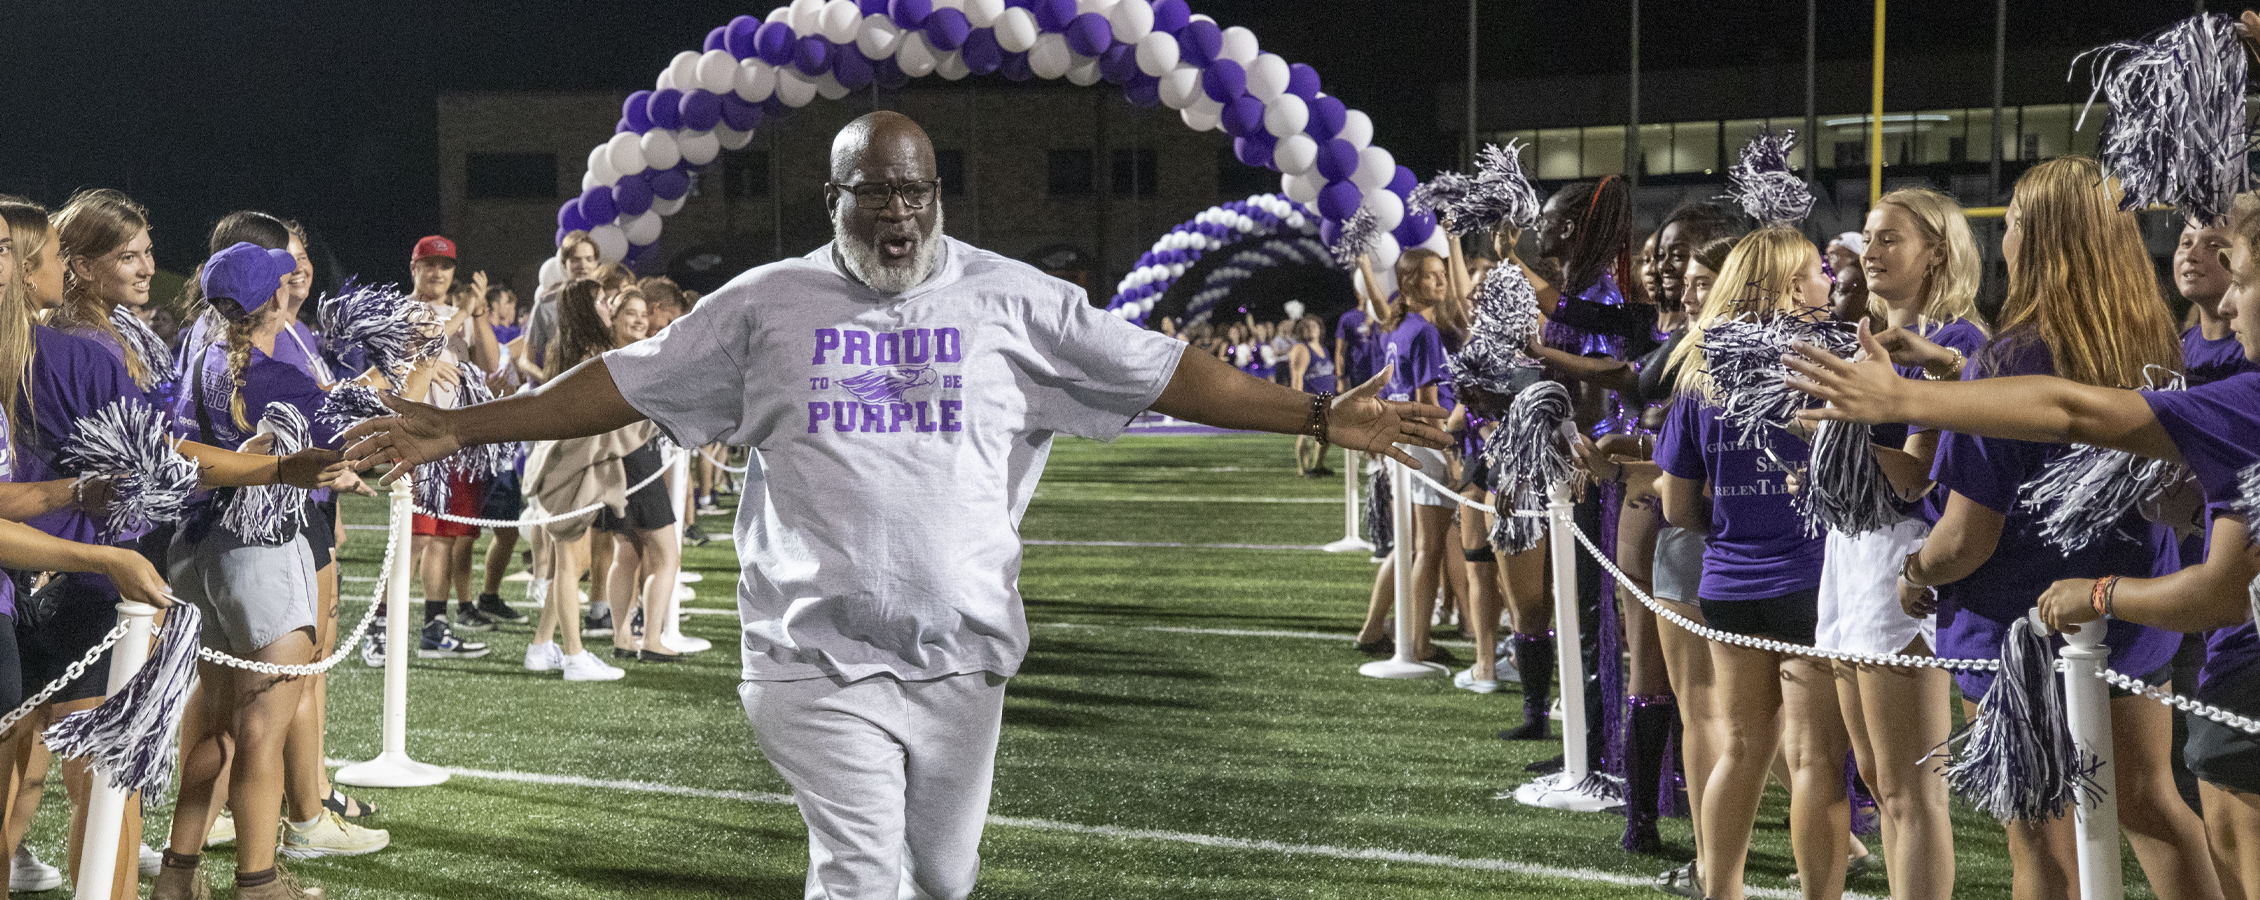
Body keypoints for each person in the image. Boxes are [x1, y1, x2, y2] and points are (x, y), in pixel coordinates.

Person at [340, 111, 1446, 900]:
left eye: (915, 190)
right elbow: (622, 381)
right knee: (863, 876)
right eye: (873, 192)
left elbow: (1161, 369)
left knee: (943, 876)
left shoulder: (1015, 298)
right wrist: (458, 427)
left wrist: (1312, 415)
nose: (897, 212)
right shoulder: (761, 306)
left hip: (963, 657)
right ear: (835, 200)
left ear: (939, 198)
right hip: (812, 659)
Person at [1792, 156, 2222, 900]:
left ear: (2042, 239)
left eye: (2017, 221)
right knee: (2152, 807)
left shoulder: (2014, 356)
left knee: (2040, 841)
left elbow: (1966, 539)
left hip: (2012, 635)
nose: (2008, 236)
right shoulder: (2153, 347)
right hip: (2126, 615)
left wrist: (1916, 571)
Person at [3, 199, 341, 900]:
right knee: (100, 776)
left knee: (35, 766)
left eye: (148, 250)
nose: (147, 266)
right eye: (127, 255)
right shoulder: (76, 346)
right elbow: (156, 459)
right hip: (92, 565)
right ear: (78, 267)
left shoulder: (99, 334)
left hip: (82, 560)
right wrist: (273, 468)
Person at [155, 242, 394, 900]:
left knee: (217, 724)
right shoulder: (278, 377)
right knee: (262, 729)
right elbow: (368, 440)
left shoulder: (198, 361)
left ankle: (178, 874)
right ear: (274, 297)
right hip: (259, 556)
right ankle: (258, 883)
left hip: (192, 554)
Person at [1655, 227, 1847, 899]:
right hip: (1809, 582)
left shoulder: (1699, 372)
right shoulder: (1827, 362)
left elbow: (1677, 507)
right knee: (1815, 759)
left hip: (1729, 585)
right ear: (1794, 287)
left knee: (1740, 749)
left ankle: (1721, 889)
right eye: (1819, 271)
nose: (1829, 280)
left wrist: (1738, 528)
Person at [1804, 188, 1983, 900]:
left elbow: (1913, 478)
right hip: (1849, 551)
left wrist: (1833, 425)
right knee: (1878, 779)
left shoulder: (1957, 346)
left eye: (1890, 240)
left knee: (1914, 790)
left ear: (1937, 251)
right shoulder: (1870, 338)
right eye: (1869, 238)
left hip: (1901, 554)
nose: (1870, 252)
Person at [1350, 248, 1465, 667]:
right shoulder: (1424, 332)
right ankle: (1419, 642)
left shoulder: (1396, 328)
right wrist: (1449, 454)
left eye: (1443, 275)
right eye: (1434, 276)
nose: (1443, 283)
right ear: (1414, 281)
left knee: (1407, 545)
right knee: (1428, 548)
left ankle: (1372, 628)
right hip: (1423, 439)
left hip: (1399, 438)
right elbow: (1427, 401)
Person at [395, 235, 499, 656]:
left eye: (446, 265)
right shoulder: (402, 309)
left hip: (454, 437)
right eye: (430, 264)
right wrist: (464, 312)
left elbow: (491, 364)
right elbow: (429, 341)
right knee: (414, 540)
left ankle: (434, 627)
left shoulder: (461, 313)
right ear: (414, 268)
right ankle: (381, 629)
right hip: (417, 436)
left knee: (444, 538)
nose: (438, 272)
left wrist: (481, 313)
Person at [1286, 316, 1336, 477]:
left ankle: (1317, 465)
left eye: (1314, 326)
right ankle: (1303, 469)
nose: (1312, 329)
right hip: (1310, 399)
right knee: (1305, 435)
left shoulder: (1323, 348)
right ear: (1301, 331)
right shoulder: (1301, 348)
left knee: (1326, 435)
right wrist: (1298, 400)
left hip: (1326, 399)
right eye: (1307, 327)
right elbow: (1297, 376)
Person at [1826, 231, 1868, 323]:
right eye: (1828, 256)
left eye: (1833, 256)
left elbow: (1843, 315)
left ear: (1855, 257)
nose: (1829, 262)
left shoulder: (1851, 276)